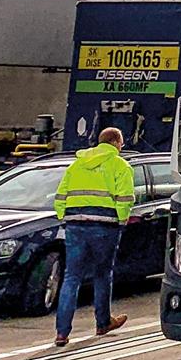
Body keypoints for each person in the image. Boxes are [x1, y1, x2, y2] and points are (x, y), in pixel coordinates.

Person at [52, 128, 135, 347]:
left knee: (71, 277)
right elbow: (125, 198)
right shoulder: (120, 165)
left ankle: (62, 333)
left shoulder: (76, 165)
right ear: (116, 142)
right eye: (121, 144)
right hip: (105, 227)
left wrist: (66, 217)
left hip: (75, 225)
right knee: (103, 274)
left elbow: (60, 197)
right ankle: (103, 322)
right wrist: (122, 221)